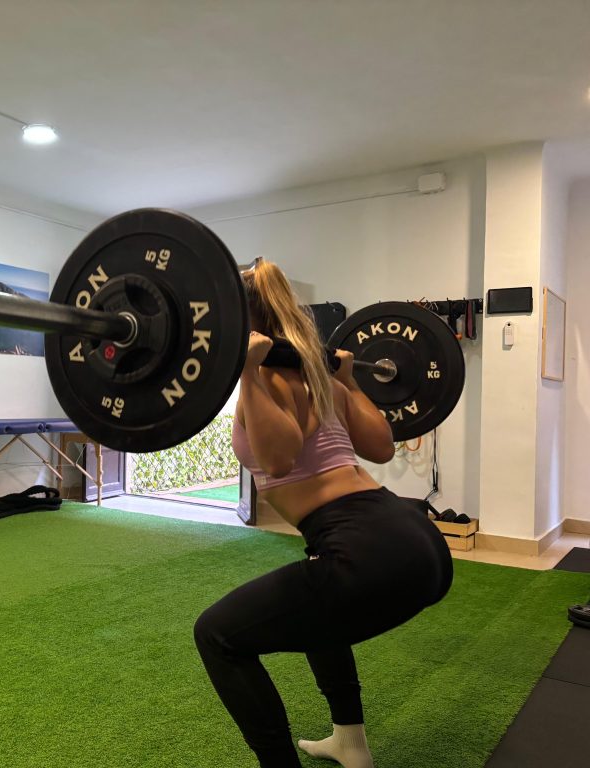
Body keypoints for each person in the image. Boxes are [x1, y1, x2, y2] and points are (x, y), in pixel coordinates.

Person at [193, 258, 453, 768]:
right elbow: (381, 450)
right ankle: (350, 743)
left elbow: (278, 458)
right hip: (417, 541)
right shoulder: (325, 382)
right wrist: (351, 382)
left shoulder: (264, 380)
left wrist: (249, 373)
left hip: (363, 549)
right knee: (316, 604)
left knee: (216, 634)